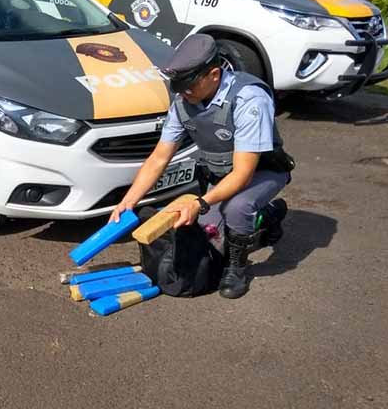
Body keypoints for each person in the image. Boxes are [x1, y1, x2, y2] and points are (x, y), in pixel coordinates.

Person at [110, 34, 293, 299]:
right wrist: (129, 200)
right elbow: (159, 157)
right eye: (179, 86)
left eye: (189, 85)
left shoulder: (249, 99)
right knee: (209, 234)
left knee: (237, 208)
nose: (183, 92)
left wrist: (200, 203)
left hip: (263, 172)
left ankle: (236, 268)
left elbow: (243, 173)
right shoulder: (184, 102)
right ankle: (271, 214)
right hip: (221, 175)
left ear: (214, 75)